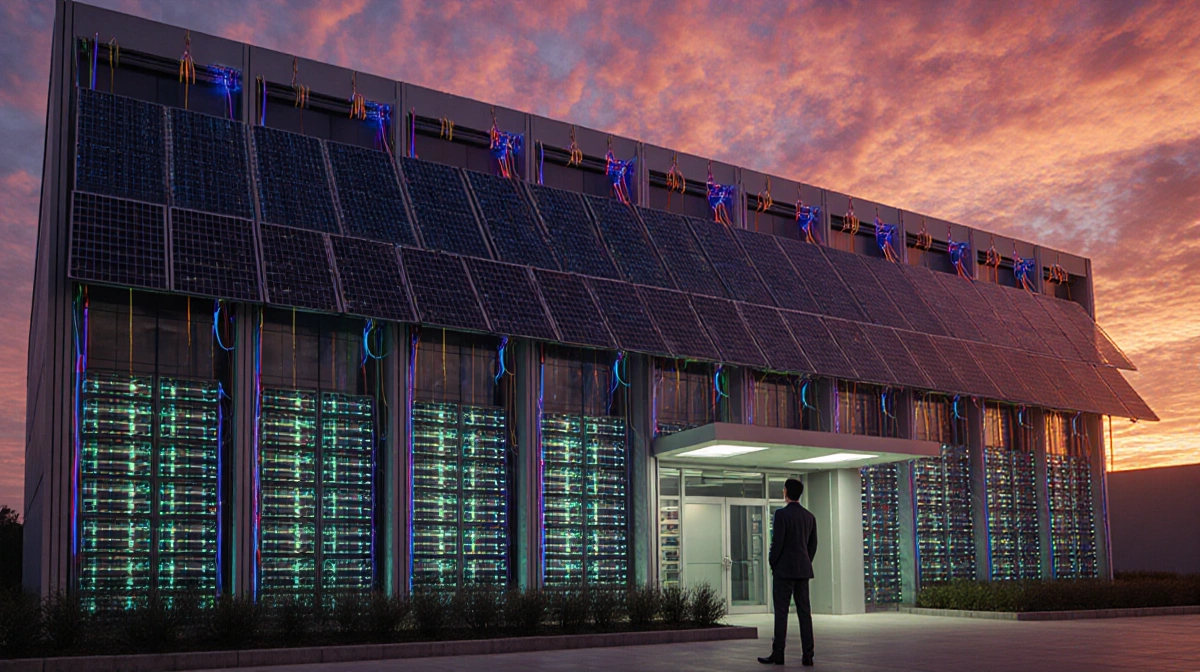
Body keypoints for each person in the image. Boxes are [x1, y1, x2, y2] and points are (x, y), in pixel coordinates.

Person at [758, 477, 817, 667]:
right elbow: (813, 544)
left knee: (781, 613)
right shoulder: (809, 516)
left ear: (786, 492)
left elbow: (778, 543)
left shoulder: (782, 515)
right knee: (804, 613)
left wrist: (773, 563)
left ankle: (778, 653)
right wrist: (806, 561)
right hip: (803, 570)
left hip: (784, 571)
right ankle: (808, 654)